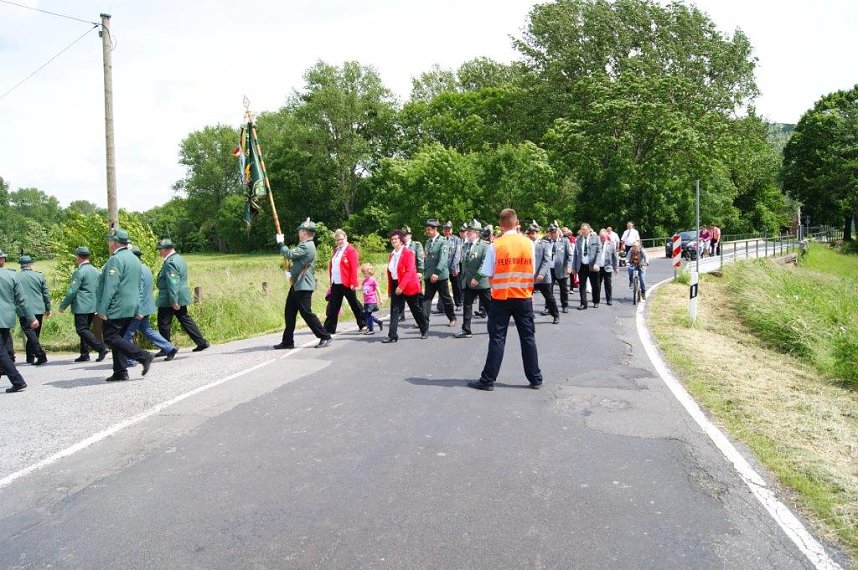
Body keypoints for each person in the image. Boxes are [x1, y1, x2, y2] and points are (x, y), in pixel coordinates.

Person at [468, 208, 543, 391]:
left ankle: (488, 380)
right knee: (528, 338)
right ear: (517, 224)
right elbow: (532, 270)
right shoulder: (529, 244)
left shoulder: (496, 245)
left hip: (501, 298)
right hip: (523, 296)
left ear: (501, 226)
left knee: (497, 339)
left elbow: (488, 274)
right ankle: (535, 378)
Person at [96, 228, 154, 381]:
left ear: (114, 242)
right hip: (131, 306)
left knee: (110, 338)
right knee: (119, 338)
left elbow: (111, 286)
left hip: (118, 306)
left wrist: (102, 308)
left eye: (110, 241)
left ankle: (143, 356)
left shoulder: (116, 259)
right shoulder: (134, 258)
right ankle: (120, 371)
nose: (109, 244)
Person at [274, 219, 333, 349]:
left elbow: (289, 254)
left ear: (305, 233)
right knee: (289, 312)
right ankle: (288, 341)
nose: (299, 233)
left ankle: (325, 336)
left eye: (300, 231)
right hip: (297, 284)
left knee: (306, 313)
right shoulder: (306, 244)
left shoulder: (306, 246)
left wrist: (280, 243)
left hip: (303, 285)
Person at [123, 246, 178, 364]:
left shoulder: (136, 270)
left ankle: (130, 359)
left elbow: (140, 291)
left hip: (139, 308)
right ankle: (169, 348)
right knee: (148, 331)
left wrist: (139, 310)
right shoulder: (145, 268)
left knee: (126, 334)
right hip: (147, 306)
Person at [155, 238, 209, 353]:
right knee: (185, 319)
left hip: (170, 297)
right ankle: (201, 342)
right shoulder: (178, 258)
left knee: (163, 323)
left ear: (165, 250)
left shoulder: (171, 262)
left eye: (160, 250)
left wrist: (174, 300)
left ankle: (166, 348)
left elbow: (173, 282)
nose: (159, 252)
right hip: (178, 295)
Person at [58, 246, 109, 363]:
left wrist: (63, 305)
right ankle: (84, 354)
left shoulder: (79, 272)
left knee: (81, 330)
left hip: (82, 305)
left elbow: (73, 290)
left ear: (78, 257)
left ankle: (100, 348)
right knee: (85, 330)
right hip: (93, 305)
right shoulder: (95, 270)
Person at [382, 229, 428, 344]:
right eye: (392, 239)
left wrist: (401, 287)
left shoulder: (408, 253)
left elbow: (410, 271)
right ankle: (392, 335)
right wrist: (390, 289)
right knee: (394, 310)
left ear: (401, 240)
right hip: (395, 284)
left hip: (408, 285)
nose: (393, 241)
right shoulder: (391, 254)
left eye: (396, 239)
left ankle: (424, 329)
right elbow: (390, 273)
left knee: (415, 309)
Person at [1, 254, 37, 392]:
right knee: (2, 349)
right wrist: (31, 318)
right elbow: (22, 300)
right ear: (2, 260)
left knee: (1, 352)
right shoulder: (12, 275)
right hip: (7, 318)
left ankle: (17, 380)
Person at [323, 229, 366, 334]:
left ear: (346, 238)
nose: (339, 242)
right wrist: (331, 281)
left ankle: (363, 322)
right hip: (336, 282)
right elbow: (333, 266)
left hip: (347, 282)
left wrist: (353, 282)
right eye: (337, 240)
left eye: (341, 239)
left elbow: (354, 267)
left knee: (354, 303)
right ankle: (329, 328)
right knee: (333, 306)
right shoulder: (336, 251)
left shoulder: (351, 251)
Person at [455, 219, 492, 339]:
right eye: (467, 231)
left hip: (481, 282)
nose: (467, 233)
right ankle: (466, 329)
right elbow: (464, 263)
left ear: (476, 233)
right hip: (468, 282)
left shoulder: (484, 246)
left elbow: (485, 263)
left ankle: (495, 327)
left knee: (489, 307)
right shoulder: (466, 245)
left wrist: (477, 277)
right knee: (467, 305)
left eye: (470, 231)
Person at [15, 255, 51, 365]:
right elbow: (45, 293)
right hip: (38, 308)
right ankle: (30, 357)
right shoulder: (39, 276)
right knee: (34, 334)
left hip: (23, 309)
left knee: (30, 333)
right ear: (31, 264)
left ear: (21, 265)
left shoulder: (16, 277)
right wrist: (48, 308)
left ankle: (39, 355)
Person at [422, 219, 456, 327]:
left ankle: (452, 317)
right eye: (426, 230)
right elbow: (426, 259)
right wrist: (424, 272)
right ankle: (424, 322)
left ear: (435, 229)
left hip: (440, 276)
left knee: (445, 298)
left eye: (429, 230)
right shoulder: (427, 242)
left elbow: (443, 259)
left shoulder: (443, 241)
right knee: (427, 299)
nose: (427, 232)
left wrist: (436, 273)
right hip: (429, 276)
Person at [527, 222, 559, 324]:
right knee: (527, 298)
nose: (531, 235)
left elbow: (547, 260)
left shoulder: (545, 244)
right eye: (529, 233)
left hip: (543, 277)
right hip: (530, 277)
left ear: (537, 233)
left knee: (549, 298)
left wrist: (541, 273)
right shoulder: (526, 244)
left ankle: (555, 315)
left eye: (533, 233)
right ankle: (529, 315)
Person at [572, 223, 601, 309]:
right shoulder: (578, 240)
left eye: (585, 229)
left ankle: (596, 301)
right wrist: (574, 267)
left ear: (589, 230)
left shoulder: (595, 239)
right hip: (582, 266)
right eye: (582, 229)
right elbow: (575, 255)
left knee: (595, 285)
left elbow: (599, 251)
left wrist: (597, 263)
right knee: (582, 286)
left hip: (592, 265)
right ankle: (583, 303)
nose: (583, 231)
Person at [399, 225, 424, 323]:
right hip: (403, 276)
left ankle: (421, 314)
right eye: (403, 235)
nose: (405, 237)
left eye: (406, 235)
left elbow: (420, 259)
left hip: (414, 275)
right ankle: (401, 314)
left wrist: (420, 272)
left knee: (417, 296)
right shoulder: (400, 246)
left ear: (410, 235)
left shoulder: (416, 245)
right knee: (401, 294)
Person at [436, 221, 463, 311]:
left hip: (453, 267)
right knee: (442, 287)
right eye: (445, 230)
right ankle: (441, 307)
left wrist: (452, 267)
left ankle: (458, 303)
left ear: (451, 230)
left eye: (449, 230)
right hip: (443, 268)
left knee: (456, 286)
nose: (447, 231)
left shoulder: (456, 240)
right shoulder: (441, 240)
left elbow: (457, 255)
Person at [547, 222, 573, 313]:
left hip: (561, 269)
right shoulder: (547, 242)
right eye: (551, 232)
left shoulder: (564, 241)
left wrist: (569, 267)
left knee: (563, 289)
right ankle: (548, 307)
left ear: (558, 232)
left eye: (554, 232)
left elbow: (570, 255)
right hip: (549, 269)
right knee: (548, 290)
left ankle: (564, 305)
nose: (553, 234)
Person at [595, 229, 619, 306]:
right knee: (597, 285)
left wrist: (616, 267)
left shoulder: (611, 244)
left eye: (603, 237)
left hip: (608, 267)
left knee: (608, 284)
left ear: (606, 237)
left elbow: (615, 257)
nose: (602, 238)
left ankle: (609, 299)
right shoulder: (596, 244)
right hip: (598, 268)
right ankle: (596, 301)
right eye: (601, 237)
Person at [359, 263, 383, 335]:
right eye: (363, 273)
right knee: (366, 315)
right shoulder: (364, 281)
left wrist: (380, 299)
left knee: (368, 315)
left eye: (365, 273)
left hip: (371, 300)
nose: (364, 275)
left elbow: (377, 290)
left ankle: (371, 329)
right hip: (366, 301)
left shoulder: (373, 280)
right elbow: (362, 289)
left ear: (369, 272)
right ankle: (378, 322)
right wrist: (355, 289)